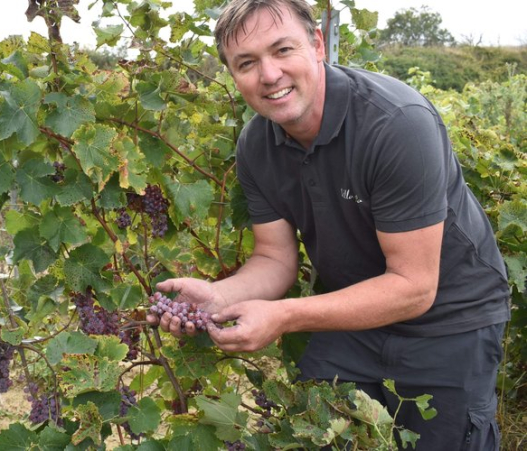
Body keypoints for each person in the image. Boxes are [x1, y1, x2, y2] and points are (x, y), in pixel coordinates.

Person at [146, 0, 511, 449]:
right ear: (232, 74)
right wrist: (217, 296)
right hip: (351, 318)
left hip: (449, 321)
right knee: (319, 432)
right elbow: (275, 258)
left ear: (317, 44)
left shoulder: (395, 124)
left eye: (282, 50)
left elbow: (415, 286)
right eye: (246, 63)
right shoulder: (257, 145)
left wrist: (282, 317)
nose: (269, 75)